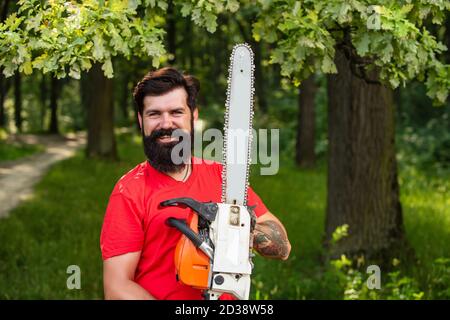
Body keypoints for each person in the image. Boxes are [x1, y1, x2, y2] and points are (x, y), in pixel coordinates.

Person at [100, 67, 291, 300]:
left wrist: (239, 231)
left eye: (176, 112)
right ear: (141, 120)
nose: (166, 123)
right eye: (154, 114)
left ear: (194, 116)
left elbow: (283, 247)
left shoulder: (223, 177)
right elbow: (117, 287)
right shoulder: (129, 191)